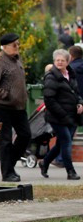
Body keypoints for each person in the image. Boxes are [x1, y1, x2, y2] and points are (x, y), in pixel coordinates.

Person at [0, 33, 30, 182]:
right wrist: (5, 94)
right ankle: (7, 173)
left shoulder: (17, 59)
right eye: (14, 45)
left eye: (18, 44)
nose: (17, 47)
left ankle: (9, 165)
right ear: (4, 47)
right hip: (3, 106)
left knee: (25, 135)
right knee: (5, 140)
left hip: (19, 106)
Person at [40, 49, 82, 180]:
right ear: (54, 62)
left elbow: (76, 92)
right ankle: (70, 171)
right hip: (57, 116)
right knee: (66, 141)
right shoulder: (51, 76)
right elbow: (49, 99)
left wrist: (80, 103)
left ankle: (44, 162)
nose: (59, 62)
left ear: (67, 61)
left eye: (62, 60)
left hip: (72, 115)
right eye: (57, 60)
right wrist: (63, 115)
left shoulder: (71, 74)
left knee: (61, 144)